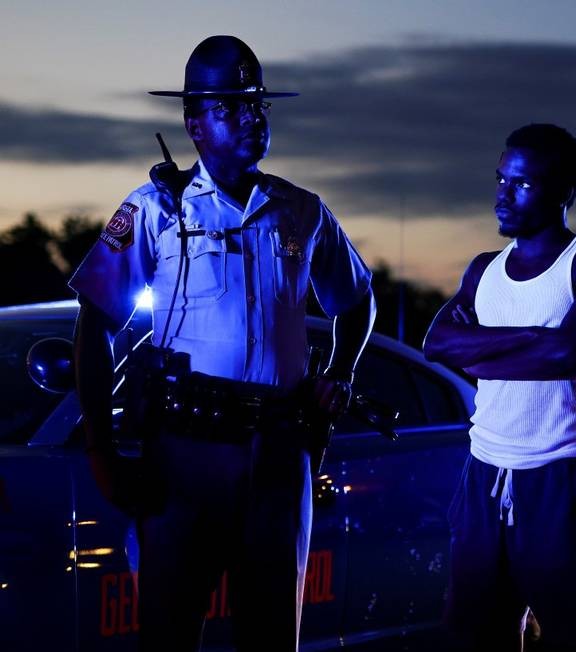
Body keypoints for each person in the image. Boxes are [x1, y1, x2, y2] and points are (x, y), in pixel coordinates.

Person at [69, 35, 375, 651]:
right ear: (193, 125)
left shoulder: (301, 210)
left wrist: (339, 373)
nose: (251, 118)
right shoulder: (157, 208)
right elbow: (92, 325)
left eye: (257, 105)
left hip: (279, 453)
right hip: (185, 453)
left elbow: (357, 299)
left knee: (270, 635)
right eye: (230, 107)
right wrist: (102, 450)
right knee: (169, 630)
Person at [423, 123, 576, 651]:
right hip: (485, 470)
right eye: (500, 179)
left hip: (559, 470)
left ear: (563, 192)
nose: (502, 195)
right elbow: (438, 342)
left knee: (564, 638)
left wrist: (492, 347)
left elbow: (566, 354)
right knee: (479, 635)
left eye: (523, 184)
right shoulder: (483, 270)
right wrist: (538, 339)